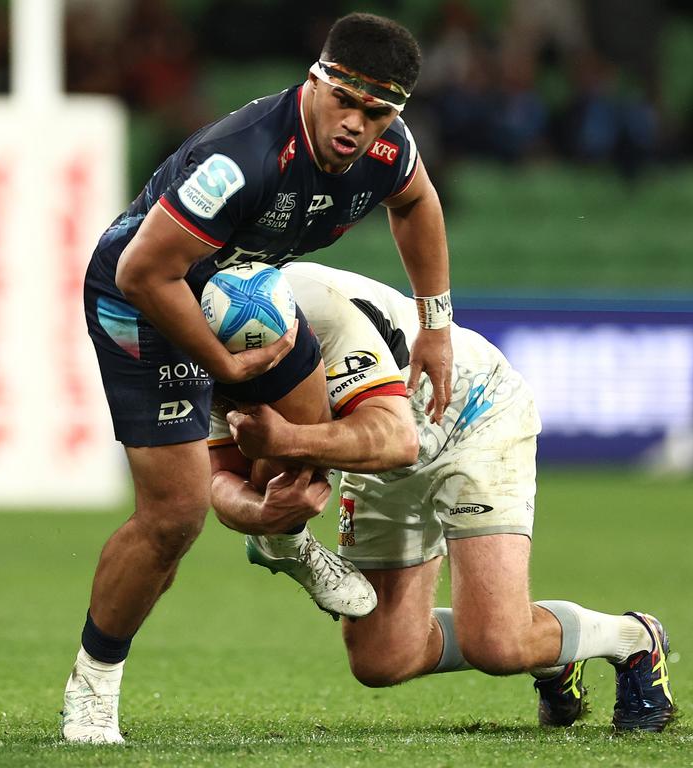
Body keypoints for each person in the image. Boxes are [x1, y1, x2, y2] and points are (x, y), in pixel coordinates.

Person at [65, 13, 455, 744]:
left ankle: (281, 542)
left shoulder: (388, 150)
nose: (356, 124)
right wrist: (222, 369)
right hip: (143, 304)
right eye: (345, 100)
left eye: (377, 113)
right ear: (317, 79)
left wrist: (435, 323)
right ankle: (94, 683)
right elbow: (142, 271)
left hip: (243, 295)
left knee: (308, 446)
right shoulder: (240, 160)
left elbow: (418, 203)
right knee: (174, 516)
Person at [210, 262, 676, 733]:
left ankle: (632, 639)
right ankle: (553, 651)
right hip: (372, 451)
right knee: (381, 658)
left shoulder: (322, 308)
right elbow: (220, 480)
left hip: (470, 415)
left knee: (497, 645)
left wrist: (282, 441)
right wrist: (261, 512)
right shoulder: (198, 348)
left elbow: (396, 439)